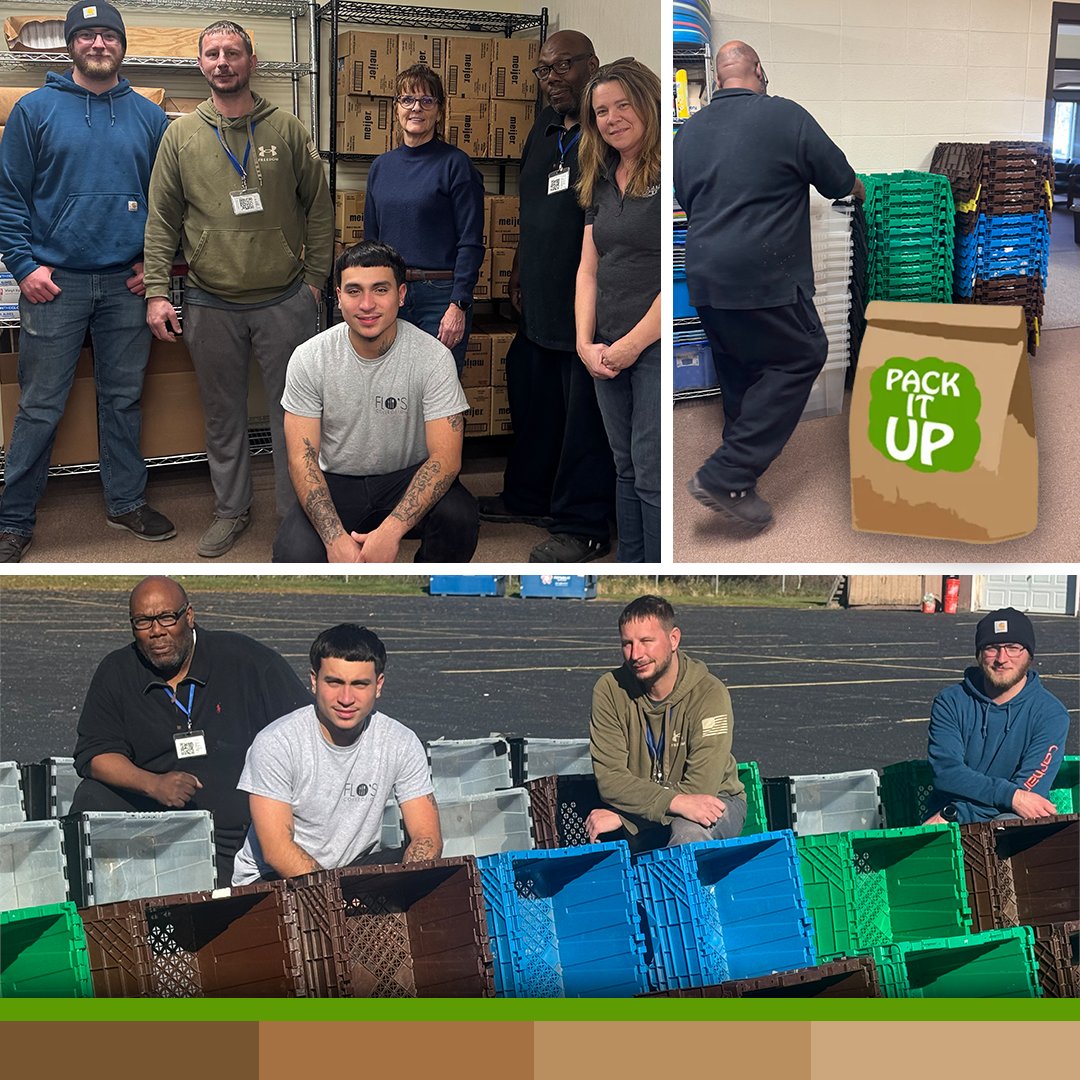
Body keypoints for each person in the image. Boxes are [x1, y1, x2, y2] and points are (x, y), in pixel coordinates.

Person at [143, 21, 333, 558]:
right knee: (222, 414)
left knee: (293, 416)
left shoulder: (288, 129)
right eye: (212, 54)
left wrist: (315, 282)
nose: (222, 62)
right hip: (209, 300)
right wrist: (159, 290)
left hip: (285, 300)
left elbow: (319, 210)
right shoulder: (179, 135)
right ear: (201, 64)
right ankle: (231, 510)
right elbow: (161, 219)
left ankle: (298, 516)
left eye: (232, 53)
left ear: (252, 61)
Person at [0, 2, 175, 563]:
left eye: (108, 35)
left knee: (122, 400)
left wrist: (154, 267)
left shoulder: (151, 118)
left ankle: (125, 502)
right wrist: (25, 267)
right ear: (71, 45)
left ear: (122, 45)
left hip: (126, 286)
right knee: (40, 406)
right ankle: (13, 520)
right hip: (56, 286)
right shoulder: (34, 110)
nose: (98, 44)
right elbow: (9, 198)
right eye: (87, 36)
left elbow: (170, 206)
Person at [673, 40, 864, 533]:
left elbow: (691, 199)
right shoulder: (786, 116)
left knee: (739, 362)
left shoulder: (688, 133)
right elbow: (840, 180)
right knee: (802, 352)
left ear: (717, 80)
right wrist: (861, 189)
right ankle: (729, 472)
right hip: (764, 272)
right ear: (760, 69)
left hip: (705, 272)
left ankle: (740, 463)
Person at [70, 575, 311, 885]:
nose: (156, 631)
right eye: (143, 622)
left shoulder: (246, 661)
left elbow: (303, 732)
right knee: (92, 795)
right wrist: (153, 784)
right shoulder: (117, 671)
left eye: (167, 618)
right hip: (158, 834)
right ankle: (96, 911)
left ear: (189, 615)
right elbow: (95, 753)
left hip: (241, 833)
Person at [477, 30, 616, 563]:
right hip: (537, 294)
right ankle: (527, 497)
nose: (551, 78)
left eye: (563, 67)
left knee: (581, 418)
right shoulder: (543, 127)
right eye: (543, 69)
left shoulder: (603, 134)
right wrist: (517, 266)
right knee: (532, 401)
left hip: (584, 306)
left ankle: (583, 525)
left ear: (591, 65)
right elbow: (532, 207)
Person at [272, 240, 478, 563]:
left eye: (380, 290)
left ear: (402, 295)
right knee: (293, 552)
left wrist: (391, 531)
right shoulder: (309, 359)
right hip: (338, 483)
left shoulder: (434, 358)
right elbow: (301, 460)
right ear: (338, 297)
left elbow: (446, 460)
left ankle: (423, 596)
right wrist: (334, 539)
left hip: (405, 477)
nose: (367, 304)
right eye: (354, 291)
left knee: (459, 516)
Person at [232, 624, 441, 883]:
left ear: (378, 685)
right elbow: (277, 851)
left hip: (351, 869)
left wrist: (409, 883)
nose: (345, 698)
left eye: (359, 684)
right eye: (334, 682)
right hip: (272, 878)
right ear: (314, 681)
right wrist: (336, 902)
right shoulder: (277, 743)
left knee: (429, 874)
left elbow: (427, 838)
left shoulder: (401, 742)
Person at [575, 59, 662, 563]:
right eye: (601, 111)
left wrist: (631, 345)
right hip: (604, 345)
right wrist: (587, 343)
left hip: (648, 344)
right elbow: (589, 269)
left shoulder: (671, 172)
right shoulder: (602, 176)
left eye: (622, 105)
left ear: (646, 103)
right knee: (625, 466)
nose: (611, 119)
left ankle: (655, 570)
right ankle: (633, 563)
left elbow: (682, 273)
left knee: (650, 470)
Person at [586, 595, 747, 850]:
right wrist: (669, 803)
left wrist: (626, 818)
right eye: (627, 643)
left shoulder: (709, 693)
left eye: (646, 642)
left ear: (673, 639)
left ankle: (683, 891)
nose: (636, 654)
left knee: (687, 830)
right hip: (650, 803)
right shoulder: (609, 690)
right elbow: (611, 781)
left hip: (715, 800)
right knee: (597, 832)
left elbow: (699, 789)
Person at [364, 64, 485, 373]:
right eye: (407, 99)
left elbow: (470, 242)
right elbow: (371, 244)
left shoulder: (456, 166)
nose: (416, 107)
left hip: (440, 299)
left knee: (438, 396)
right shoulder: (381, 168)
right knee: (390, 390)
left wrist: (458, 305)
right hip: (392, 295)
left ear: (439, 111)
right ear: (396, 109)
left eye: (426, 100)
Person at [924, 608, 1070, 826]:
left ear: (1029, 654)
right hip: (946, 819)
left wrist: (957, 813)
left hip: (964, 817)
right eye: (992, 648)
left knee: (1010, 821)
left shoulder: (1051, 714)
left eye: (1013, 648)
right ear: (979, 654)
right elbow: (947, 773)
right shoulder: (951, 702)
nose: (1002, 659)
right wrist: (1012, 797)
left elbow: (1027, 795)